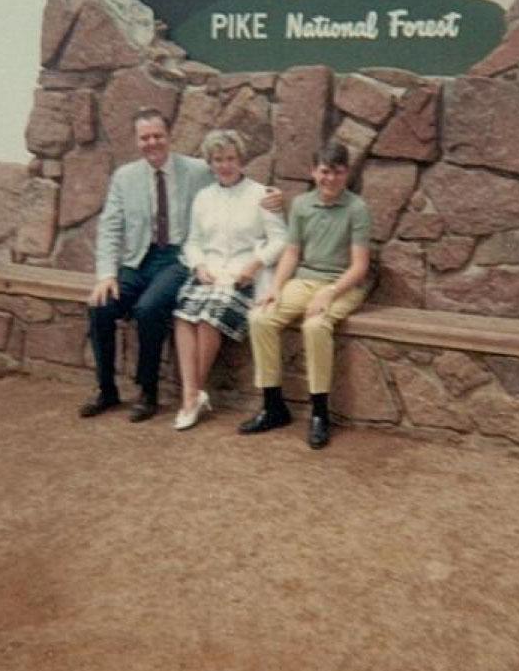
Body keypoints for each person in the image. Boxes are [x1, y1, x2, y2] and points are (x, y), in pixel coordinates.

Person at [80, 108, 281, 423]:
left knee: (150, 309)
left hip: (176, 258)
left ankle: (148, 392)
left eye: (157, 135)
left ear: (169, 136)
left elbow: (234, 175)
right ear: (137, 141)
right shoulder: (124, 177)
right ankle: (106, 389)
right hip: (136, 260)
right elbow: (110, 227)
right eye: (145, 137)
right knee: (100, 306)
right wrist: (106, 275)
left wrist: (276, 196)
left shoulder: (198, 169)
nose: (152, 143)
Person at [241, 141, 372, 450]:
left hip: (343, 284)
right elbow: (291, 251)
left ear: (346, 173)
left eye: (338, 172)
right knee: (260, 318)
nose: (330, 179)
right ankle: (273, 406)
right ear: (314, 172)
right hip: (304, 280)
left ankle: (319, 413)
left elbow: (360, 267)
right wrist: (276, 287)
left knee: (315, 326)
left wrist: (329, 293)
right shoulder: (301, 205)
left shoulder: (357, 209)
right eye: (325, 172)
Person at [172, 130, 287, 431]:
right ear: (210, 163)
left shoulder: (261, 195)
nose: (225, 165)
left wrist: (255, 264)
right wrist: (198, 265)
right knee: (183, 317)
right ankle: (192, 394)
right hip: (209, 272)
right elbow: (193, 241)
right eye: (218, 159)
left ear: (241, 160)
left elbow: (280, 240)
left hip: (242, 276)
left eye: (231, 158)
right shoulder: (204, 197)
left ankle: (192, 396)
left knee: (209, 318)